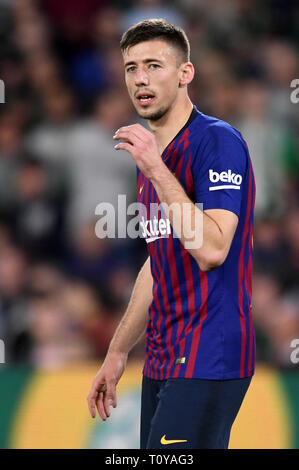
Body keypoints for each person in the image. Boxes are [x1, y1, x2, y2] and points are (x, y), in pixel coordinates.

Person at [87, 18, 256, 449]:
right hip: (163, 357)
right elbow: (158, 264)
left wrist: (156, 169)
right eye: (131, 68)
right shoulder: (154, 160)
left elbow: (213, 249)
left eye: (154, 65)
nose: (140, 78)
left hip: (209, 353)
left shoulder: (216, 141)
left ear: (185, 74)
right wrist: (118, 351)